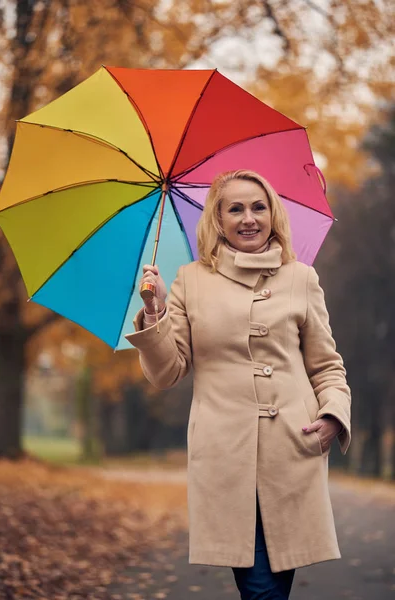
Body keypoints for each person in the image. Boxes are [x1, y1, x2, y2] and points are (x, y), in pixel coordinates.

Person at [125, 169, 351, 600]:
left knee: (266, 586)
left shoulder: (301, 277)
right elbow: (167, 372)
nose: (249, 218)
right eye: (236, 209)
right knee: (261, 586)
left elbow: (327, 366)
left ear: (272, 214)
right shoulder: (190, 280)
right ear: (218, 219)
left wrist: (333, 416)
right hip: (226, 454)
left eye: (258, 206)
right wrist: (153, 313)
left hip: (292, 448)